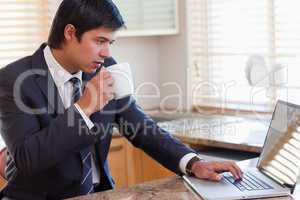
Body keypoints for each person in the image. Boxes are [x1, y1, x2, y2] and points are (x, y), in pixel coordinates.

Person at [0, 0, 242, 199]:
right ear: (70, 33)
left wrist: (192, 163)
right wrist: (83, 108)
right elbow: (27, 158)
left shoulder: (105, 70)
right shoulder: (15, 79)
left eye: (110, 42)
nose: (107, 53)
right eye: (100, 41)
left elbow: (141, 127)